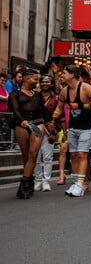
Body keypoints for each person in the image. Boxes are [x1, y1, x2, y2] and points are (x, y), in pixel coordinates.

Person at [50, 65, 91, 197]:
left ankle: (80, 184)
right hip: (72, 127)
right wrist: (53, 120)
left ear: (72, 75)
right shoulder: (64, 91)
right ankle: (75, 182)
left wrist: (80, 105)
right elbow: (59, 107)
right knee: (73, 155)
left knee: (82, 154)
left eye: (65, 73)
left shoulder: (85, 87)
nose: (63, 75)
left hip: (87, 127)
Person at [8, 69, 47, 198]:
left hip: (38, 123)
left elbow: (43, 112)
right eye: (35, 79)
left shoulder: (37, 94)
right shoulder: (15, 94)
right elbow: (15, 109)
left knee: (33, 154)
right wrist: (22, 121)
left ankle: (22, 187)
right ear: (26, 78)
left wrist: (50, 126)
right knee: (26, 156)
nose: (37, 82)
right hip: (22, 124)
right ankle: (29, 181)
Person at [34, 75, 59, 192]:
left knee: (48, 157)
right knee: (36, 156)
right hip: (36, 128)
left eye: (47, 82)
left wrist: (57, 130)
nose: (45, 84)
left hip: (51, 129)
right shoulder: (34, 96)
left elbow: (60, 114)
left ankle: (46, 181)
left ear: (51, 84)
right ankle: (38, 180)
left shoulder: (56, 98)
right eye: (43, 82)